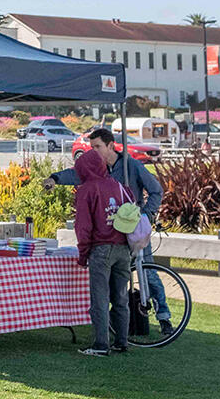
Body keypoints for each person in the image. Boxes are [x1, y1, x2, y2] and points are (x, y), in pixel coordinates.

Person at [42, 127, 171, 334]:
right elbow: (76, 174)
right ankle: (119, 329)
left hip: (133, 231)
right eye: (91, 147)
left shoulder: (132, 166)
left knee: (148, 273)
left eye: (97, 147)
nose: (93, 151)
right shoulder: (97, 168)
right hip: (112, 237)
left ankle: (164, 318)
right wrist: (55, 178)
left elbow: (156, 190)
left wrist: (145, 216)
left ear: (111, 146)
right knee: (117, 283)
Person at [73, 149, 136, 356]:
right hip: (123, 248)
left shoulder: (87, 190)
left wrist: (83, 255)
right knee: (120, 297)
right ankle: (121, 341)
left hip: (101, 249)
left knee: (99, 298)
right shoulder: (119, 186)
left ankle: (101, 344)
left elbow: (83, 228)